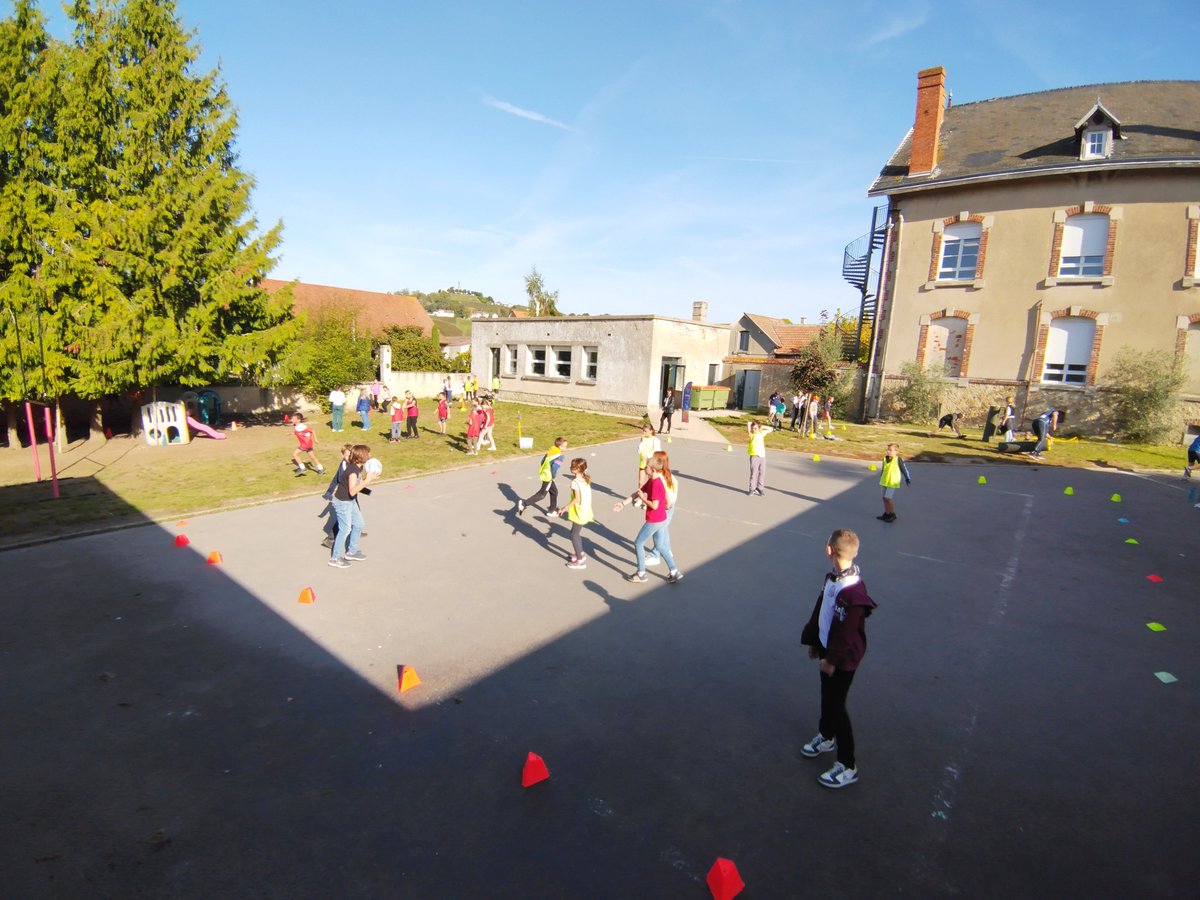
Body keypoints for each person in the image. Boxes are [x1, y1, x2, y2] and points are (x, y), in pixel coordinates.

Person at [799, 528, 877, 789]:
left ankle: (847, 764)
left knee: (837, 705)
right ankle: (826, 734)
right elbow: (821, 608)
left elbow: (846, 634)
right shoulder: (833, 579)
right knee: (827, 696)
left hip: (842, 658)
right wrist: (814, 640)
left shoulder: (852, 592)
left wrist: (831, 660)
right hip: (827, 648)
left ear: (829, 550)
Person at [618, 451, 683, 584]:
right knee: (660, 545)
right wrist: (623, 503)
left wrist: (643, 499)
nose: (644, 468)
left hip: (654, 520)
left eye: (646, 467)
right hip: (662, 518)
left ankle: (641, 573)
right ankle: (674, 571)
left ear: (652, 469)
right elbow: (639, 492)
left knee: (638, 543)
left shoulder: (656, 484)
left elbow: (654, 505)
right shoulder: (654, 480)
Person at [328, 444, 378, 568]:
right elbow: (352, 491)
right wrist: (367, 481)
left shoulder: (358, 468)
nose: (370, 456)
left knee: (359, 524)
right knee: (345, 529)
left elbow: (359, 483)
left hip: (350, 501)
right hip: (343, 503)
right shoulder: (352, 471)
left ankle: (351, 552)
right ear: (360, 457)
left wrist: (368, 483)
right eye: (368, 454)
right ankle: (335, 558)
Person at [555, 458, 595, 569]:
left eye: (573, 466)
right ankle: (580, 553)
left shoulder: (575, 482)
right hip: (585, 509)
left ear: (578, 469)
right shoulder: (585, 479)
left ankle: (580, 560)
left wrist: (564, 508)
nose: (570, 467)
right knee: (575, 533)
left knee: (574, 535)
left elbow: (577, 499)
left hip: (579, 511)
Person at [517, 437, 568, 515]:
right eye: (565, 446)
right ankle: (524, 504)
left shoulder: (551, 451)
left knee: (554, 492)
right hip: (549, 476)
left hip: (545, 473)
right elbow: (554, 467)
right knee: (541, 495)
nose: (566, 448)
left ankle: (552, 510)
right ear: (560, 446)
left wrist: (545, 470)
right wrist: (552, 477)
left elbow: (542, 461)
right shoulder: (560, 456)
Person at [877, 442, 912, 523]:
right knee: (884, 498)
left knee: (888, 498)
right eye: (888, 450)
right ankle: (886, 513)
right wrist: (881, 477)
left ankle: (892, 514)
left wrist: (907, 479)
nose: (888, 452)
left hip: (893, 482)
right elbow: (883, 469)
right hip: (884, 481)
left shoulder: (898, 459)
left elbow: (904, 469)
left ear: (896, 452)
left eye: (891, 450)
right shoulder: (885, 459)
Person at [747, 419, 772, 496]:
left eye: (755, 428)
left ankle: (759, 488)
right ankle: (752, 489)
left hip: (762, 456)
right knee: (754, 473)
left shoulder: (761, 433)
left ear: (758, 428)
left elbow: (771, 429)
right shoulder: (751, 435)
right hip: (754, 456)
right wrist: (752, 425)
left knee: (762, 473)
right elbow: (748, 423)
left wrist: (761, 427)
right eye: (753, 428)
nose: (754, 430)